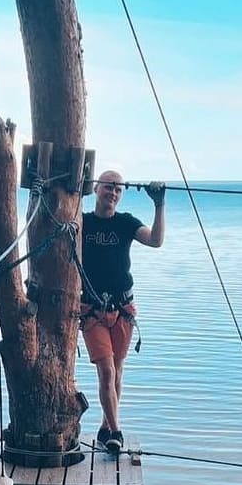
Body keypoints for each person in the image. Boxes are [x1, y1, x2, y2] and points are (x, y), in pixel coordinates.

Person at [80, 170, 165, 455]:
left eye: (118, 189)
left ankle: (106, 427)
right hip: (92, 310)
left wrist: (159, 204)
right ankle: (116, 432)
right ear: (96, 188)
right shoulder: (82, 222)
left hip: (123, 308)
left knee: (116, 373)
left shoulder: (125, 222)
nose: (113, 193)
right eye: (108, 187)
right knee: (106, 371)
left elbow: (155, 240)